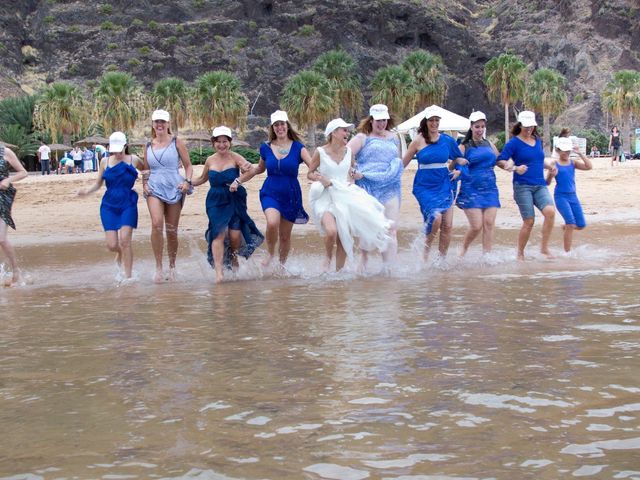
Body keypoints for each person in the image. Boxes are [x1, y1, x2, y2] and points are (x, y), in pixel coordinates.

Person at [306, 118, 391, 272]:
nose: (348, 133)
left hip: (344, 195)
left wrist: (354, 174)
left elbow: (351, 171)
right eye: (344, 130)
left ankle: (338, 275)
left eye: (347, 130)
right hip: (325, 196)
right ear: (334, 133)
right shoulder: (320, 152)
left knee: (343, 237)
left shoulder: (349, 151)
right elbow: (310, 173)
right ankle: (327, 257)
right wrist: (321, 179)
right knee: (331, 231)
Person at [233, 110, 310, 268]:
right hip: (271, 191)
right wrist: (238, 180)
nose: (279, 127)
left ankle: (281, 266)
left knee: (285, 237)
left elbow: (313, 167)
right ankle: (270, 252)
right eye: (276, 125)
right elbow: (259, 169)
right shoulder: (266, 148)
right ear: (272, 128)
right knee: (272, 222)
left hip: (291, 194)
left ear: (287, 126)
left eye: (282, 124)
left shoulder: (299, 148)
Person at [193, 126, 263, 283]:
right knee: (218, 232)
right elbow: (202, 179)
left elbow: (251, 171)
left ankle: (232, 257)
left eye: (225, 141)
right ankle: (219, 273)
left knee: (234, 236)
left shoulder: (235, 157)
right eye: (218, 142)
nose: (222, 145)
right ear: (213, 143)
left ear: (230, 142)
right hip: (215, 201)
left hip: (234, 199)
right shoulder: (210, 160)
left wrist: (238, 181)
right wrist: (188, 183)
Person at [402, 106, 466, 260]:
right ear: (426, 122)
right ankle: (425, 254)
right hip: (425, 186)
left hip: (445, 183)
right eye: (431, 120)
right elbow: (402, 164)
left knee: (448, 225)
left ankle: (441, 260)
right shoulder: (417, 141)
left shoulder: (447, 140)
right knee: (435, 218)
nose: (434, 123)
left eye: (437, 120)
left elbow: (459, 159)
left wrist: (458, 170)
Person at [78, 132, 143, 281]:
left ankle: (128, 277)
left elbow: (147, 171)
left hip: (128, 203)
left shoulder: (134, 160)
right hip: (109, 205)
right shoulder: (104, 161)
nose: (117, 153)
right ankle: (120, 253)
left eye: (120, 150)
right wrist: (86, 191)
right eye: (114, 150)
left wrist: (146, 186)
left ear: (125, 146)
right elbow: (98, 183)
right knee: (112, 245)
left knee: (125, 240)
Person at [347, 104, 403, 270]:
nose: (382, 124)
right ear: (371, 120)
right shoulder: (362, 138)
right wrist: (352, 170)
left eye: (384, 120)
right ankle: (364, 259)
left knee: (391, 227)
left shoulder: (394, 137)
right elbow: (345, 154)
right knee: (370, 227)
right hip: (368, 186)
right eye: (379, 120)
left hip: (390, 185)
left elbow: (397, 159)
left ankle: (389, 267)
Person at [142, 109, 194, 283]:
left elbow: (188, 166)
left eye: (163, 122)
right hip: (154, 186)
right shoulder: (148, 145)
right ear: (152, 124)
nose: (159, 125)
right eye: (157, 121)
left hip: (174, 185)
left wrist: (187, 181)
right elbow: (146, 169)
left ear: (168, 124)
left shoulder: (176, 142)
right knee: (157, 224)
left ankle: (172, 266)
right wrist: (144, 184)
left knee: (171, 230)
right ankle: (158, 267)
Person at [497, 110, 555, 260]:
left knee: (550, 212)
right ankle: (520, 253)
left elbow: (537, 161)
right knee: (529, 221)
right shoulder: (513, 143)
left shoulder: (537, 140)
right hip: (522, 186)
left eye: (532, 126)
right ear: (520, 125)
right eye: (526, 126)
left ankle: (544, 248)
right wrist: (516, 168)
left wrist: (549, 167)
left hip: (539, 185)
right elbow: (500, 161)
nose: (529, 129)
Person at [456, 111, 509, 256]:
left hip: (490, 189)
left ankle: (487, 256)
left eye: (482, 127)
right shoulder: (464, 146)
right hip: (471, 190)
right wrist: (457, 167)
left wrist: (513, 167)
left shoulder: (489, 144)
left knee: (489, 224)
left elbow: (499, 161)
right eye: (477, 127)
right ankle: (463, 249)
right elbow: (454, 164)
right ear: (471, 127)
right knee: (476, 226)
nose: (480, 130)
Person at [546, 136, 592, 253]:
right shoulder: (554, 163)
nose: (566, 153)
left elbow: (589, 166)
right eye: (563, 150)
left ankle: (566, 227)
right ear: (557, 150)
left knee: (581, 225)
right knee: (571, 223)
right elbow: (547, 182)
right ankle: (567, 253)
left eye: (568, 151)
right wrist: (551, 174)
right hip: (561, 196)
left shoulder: (573, 163)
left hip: (573, 196)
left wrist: (580, 153)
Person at [0, 144, 28, 285]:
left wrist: (8, 180)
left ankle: (16, 270)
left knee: (2, 239)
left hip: (2, 197)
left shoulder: (5, 152)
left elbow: (23, 172)